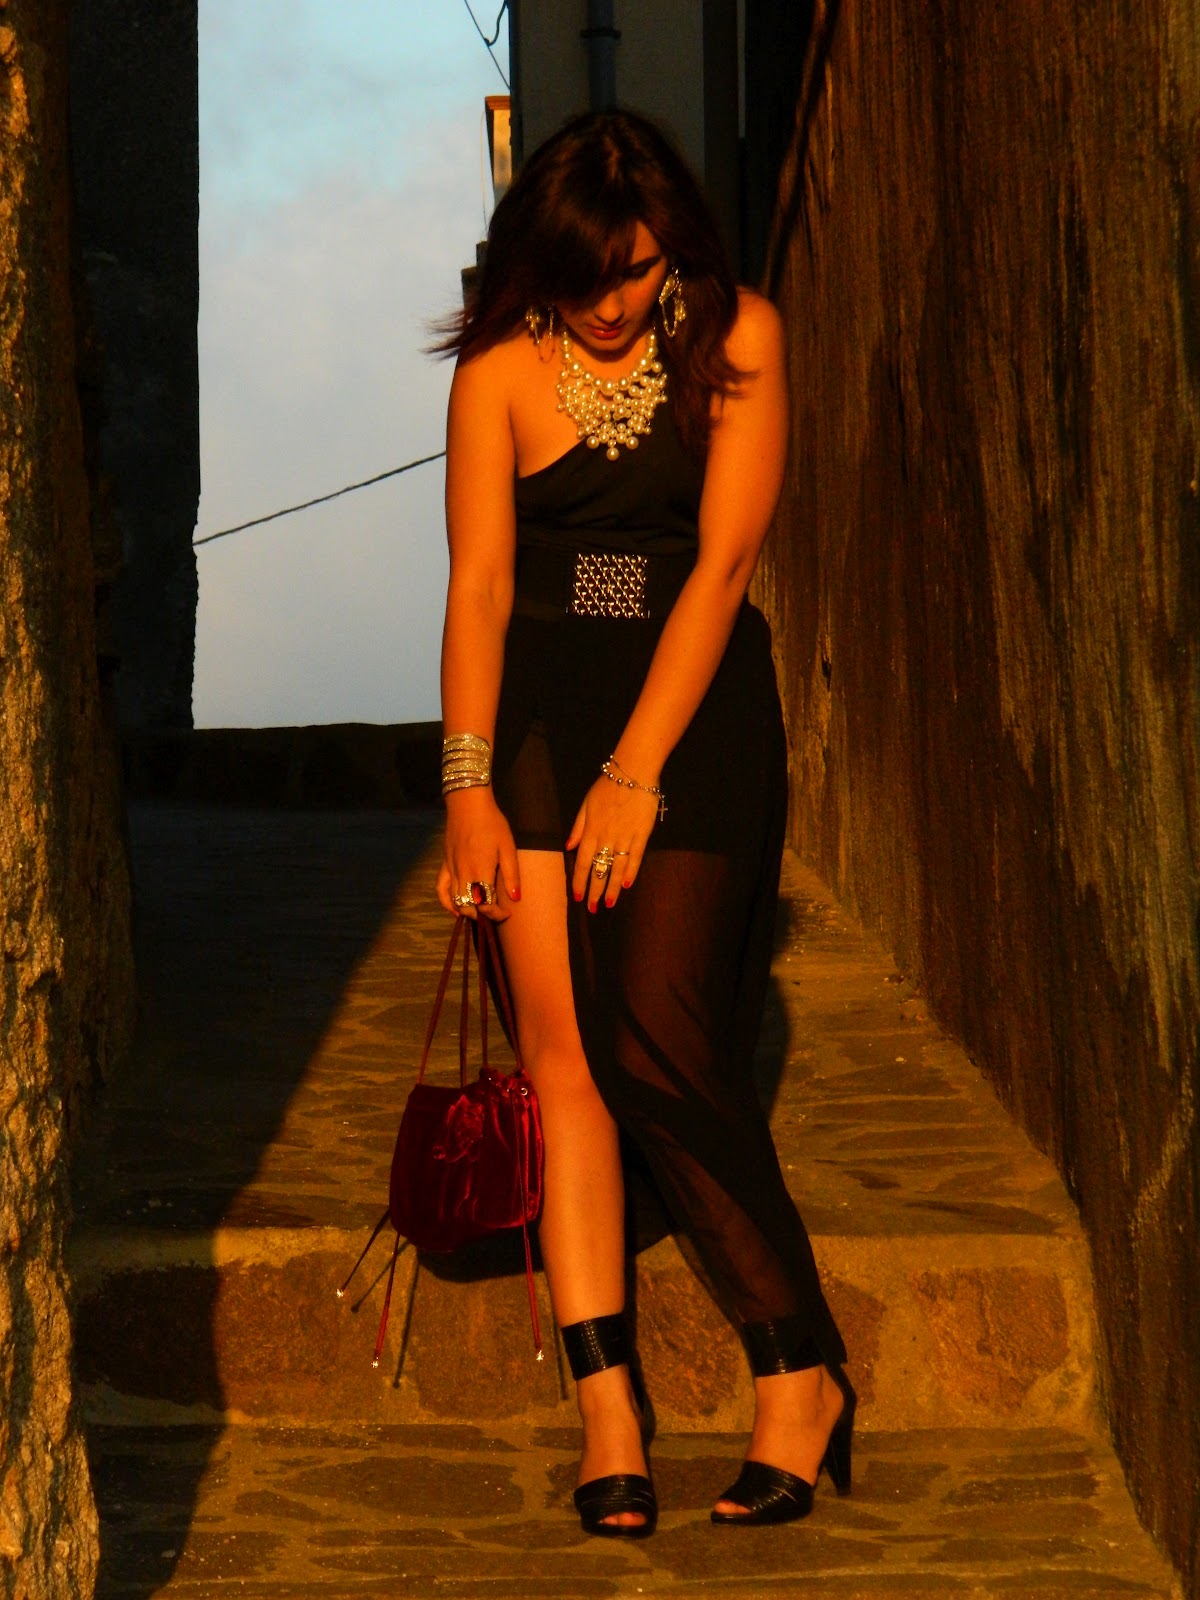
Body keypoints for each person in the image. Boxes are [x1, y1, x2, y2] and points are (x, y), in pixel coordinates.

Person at [435, 109, 853, 1538]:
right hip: (541, 725)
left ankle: (801, 1367)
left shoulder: (739, 339)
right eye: (583, 277)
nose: (611, 303)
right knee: (564, 1067)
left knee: (657, 1039)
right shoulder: (498, 371)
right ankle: (608, 1413)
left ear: (670, 241)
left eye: (633, 268)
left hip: (692, 711)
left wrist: (636, 771)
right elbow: (480, 588)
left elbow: (724, 564)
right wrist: (468, 789)